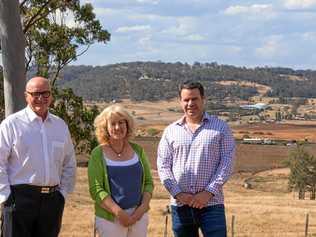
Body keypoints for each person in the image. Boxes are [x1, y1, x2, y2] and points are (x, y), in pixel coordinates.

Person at [0, 76, 77, 237]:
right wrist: (6, 196)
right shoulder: (11, 124)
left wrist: (61, 195)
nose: (40, 98)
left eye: (45, 93)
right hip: (19, 199)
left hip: (52, 201)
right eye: (35, 94)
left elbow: (69, 162)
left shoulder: (60, 126)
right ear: (26, 95)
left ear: (51, 95)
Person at [157, 80, 235, 237]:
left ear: (203, 99)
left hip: (212, 205)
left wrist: (208, 192)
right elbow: (163, 166)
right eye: (186, 100)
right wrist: (178, 193)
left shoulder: (221, 128)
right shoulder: (170, 131)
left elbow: (227, 163)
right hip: (180, 206)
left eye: (194, 99)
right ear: (180, 102)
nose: (190, 103)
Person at [88, 104, 154, 237]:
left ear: (127, 125)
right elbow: (96, 190)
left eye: (121, 122)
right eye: (113, 123)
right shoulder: (97, 154)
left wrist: (141, 210)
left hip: (139, 218)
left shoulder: (138, 151)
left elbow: (148, 183)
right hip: (110, 219)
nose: (117, 127)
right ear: (105, 127)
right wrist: (120, 214)